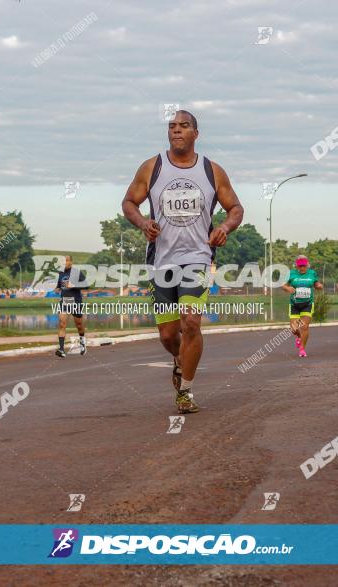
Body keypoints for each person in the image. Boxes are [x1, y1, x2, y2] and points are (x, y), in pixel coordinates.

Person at [122, 110, 244, 414]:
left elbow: (236, 208)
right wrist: (142, 223)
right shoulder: (153, 167)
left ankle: (186, 392)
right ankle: (179, 360)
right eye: (172, 127)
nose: (176, 131)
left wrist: (224, 228)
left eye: (184, 126)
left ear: (196, 134)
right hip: (161, 260)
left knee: (191, 322)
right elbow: (128, 202)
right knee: (167, 334)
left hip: (198, 259)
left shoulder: (212, 171)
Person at [280, 255, 322, 357]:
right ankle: (299, 337)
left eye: (303, 266)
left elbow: (316, 284)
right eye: (300, 266)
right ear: (297, 266)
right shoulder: (291, 273)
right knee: (294, 329)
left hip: (307, 303)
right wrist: (288, 288)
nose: (302, 268)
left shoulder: (312, 273)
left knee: (304, 327)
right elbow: (283, 285)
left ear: (307, 265)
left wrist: (319, 286)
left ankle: (302, 349)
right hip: (294, 304)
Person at [54, 255, 87, 358]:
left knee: (79, 325)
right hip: (64, 302)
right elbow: (60, 286)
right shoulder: (60, 273)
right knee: (62, 323)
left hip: (76, 302)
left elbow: (86, 285)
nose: (64, 262)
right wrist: (57, 289)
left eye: (67, 260)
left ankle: (82, 344)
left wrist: (74, 286)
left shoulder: (77, 272)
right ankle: (61, 349)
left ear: (71, 262)